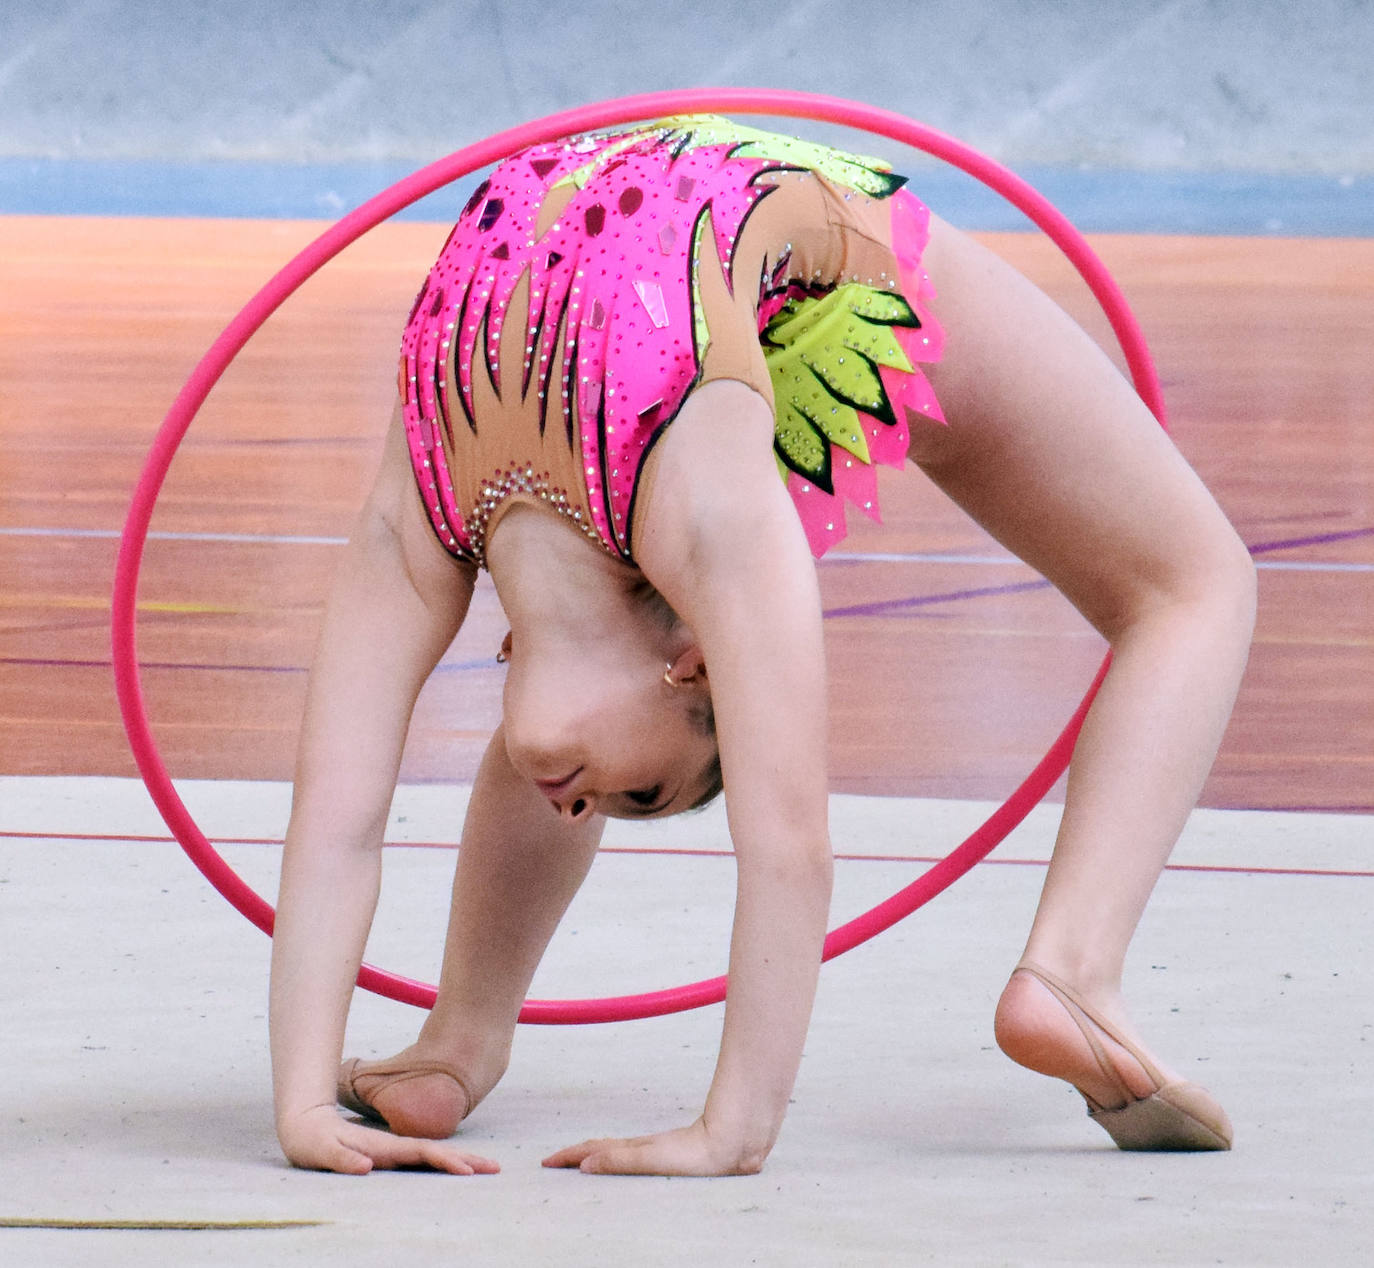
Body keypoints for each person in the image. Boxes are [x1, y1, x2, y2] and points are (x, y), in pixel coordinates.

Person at [268, 115, 1255, 1177]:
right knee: (1192, 582)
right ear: (694, 657)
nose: (577, 801)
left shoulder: (442, 516)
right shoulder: (689, 511)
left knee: (1198, 581)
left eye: (627, 803)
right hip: (732, 229)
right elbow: (785, 840)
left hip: (741, 237)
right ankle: (1066, 970)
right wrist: (299, 1107)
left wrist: (734, 1128)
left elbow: (341, 820)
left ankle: (1074, 968)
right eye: (641, 793)